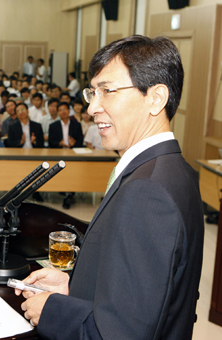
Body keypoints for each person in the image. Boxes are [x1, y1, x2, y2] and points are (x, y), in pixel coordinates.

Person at [17, 35, 204, 340]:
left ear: (155, 98)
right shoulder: (173, 168)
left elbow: (122, 332)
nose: (92, 108)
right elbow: (144, 294)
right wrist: (71, 287)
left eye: (107, 91)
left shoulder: (147, 191)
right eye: (93, 92)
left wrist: (52, 310)